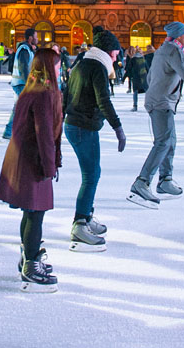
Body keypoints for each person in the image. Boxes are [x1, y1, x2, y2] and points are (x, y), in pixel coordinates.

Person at [128, 22, 184, 209]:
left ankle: (165, 180)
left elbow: (150, 77)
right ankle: (142, 182)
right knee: (163, 142)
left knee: (170, 140)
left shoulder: (163, 49)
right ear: (179, 36)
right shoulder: (173, 51)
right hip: (161, 102)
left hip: (160, 100)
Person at [0, 47, 62, 293]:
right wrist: (49, 164)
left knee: (30, 211)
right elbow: (44, 133)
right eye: (57, 66)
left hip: (22, 157)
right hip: (33, 159)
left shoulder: (30, 89)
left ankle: (28, 256)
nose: (60, 70)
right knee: (36, 212)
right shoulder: (43, 94)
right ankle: (31, 264)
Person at [63, 29, 124, 251]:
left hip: (77, 124)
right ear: (107, 52)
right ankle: (80, 223)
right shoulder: (97, 67)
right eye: (115, 54)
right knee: (91, 176)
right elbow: (103, 100)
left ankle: (86, 216)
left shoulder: (81, 62)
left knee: (93, 173)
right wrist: (118, 127)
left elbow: (66, 94)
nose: (115, 59)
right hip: (83, 126)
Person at [3, 29, 38, 139]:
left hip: (21, 83)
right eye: (36, 37)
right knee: (22, 108)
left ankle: (11, 132)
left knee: (20, 107)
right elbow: (23, 68)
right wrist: (29, 83)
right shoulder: (24, 50)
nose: (37, 39)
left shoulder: (28, 49)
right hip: (21, 84)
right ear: (30, 38)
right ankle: (11, 132)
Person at [125, 46, 149, 112]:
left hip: (136, 78)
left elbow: (128, 69)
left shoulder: (133, 59)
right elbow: (147, 69)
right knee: (147, 91)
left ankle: (135, 106)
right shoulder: (143, 59)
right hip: (144, 77)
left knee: (135, 92)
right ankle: (149, 105)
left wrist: (124, 78)